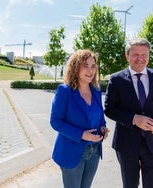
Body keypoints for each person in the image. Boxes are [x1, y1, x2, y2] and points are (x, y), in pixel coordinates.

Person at [104, 37, 153, 188]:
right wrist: (134, 119)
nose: (140, 58)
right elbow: (110, 109)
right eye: (135, 54)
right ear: (127, 56)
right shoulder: (116, 79)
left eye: (144, 54)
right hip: (126, 145)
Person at [50, 49, 109, 188]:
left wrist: (103, 127)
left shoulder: (96, 89)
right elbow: (55, 122)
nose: (90, 70)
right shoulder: (64, 91)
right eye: (85, 66)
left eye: (93, 66)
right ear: (76, 68)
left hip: (94, 152)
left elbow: (99, 115)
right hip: (72, 152)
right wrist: (82, 135)